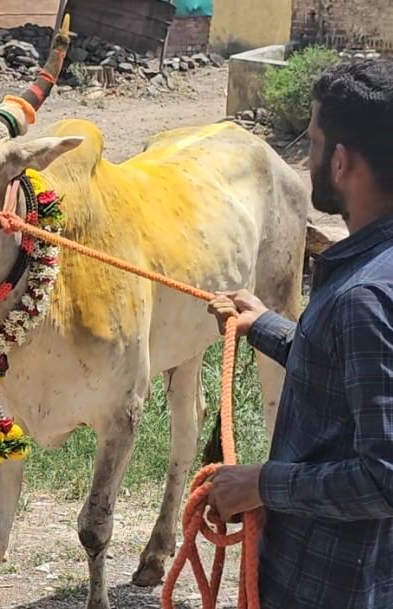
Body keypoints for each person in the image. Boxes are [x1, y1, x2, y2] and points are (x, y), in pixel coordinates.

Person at [207, 59, 392, 609]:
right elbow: (346, 373)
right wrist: (262, 323)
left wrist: (261, 483)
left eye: (311, 142)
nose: (306, 158)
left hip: (334, 582)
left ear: (339, 161)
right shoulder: (375, 276)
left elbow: (384, 479)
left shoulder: (364, 297)